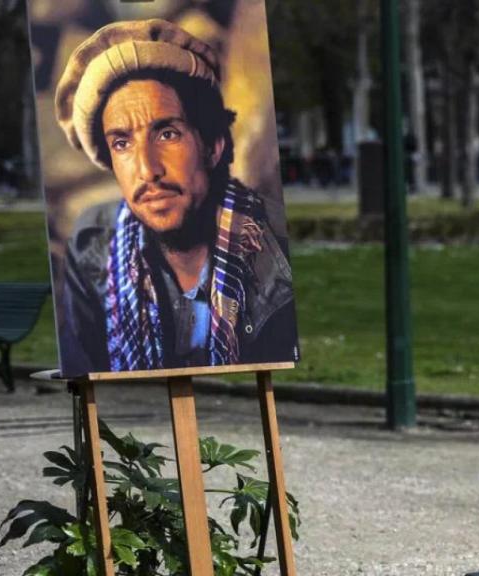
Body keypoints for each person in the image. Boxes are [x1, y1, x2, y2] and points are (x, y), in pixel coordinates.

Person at [54, 19, 298, 376]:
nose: (147, 169)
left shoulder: (277, 244)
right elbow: (86, 370)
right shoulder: (92, 245)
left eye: (167, 133)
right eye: (121, 143)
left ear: (213, 146)